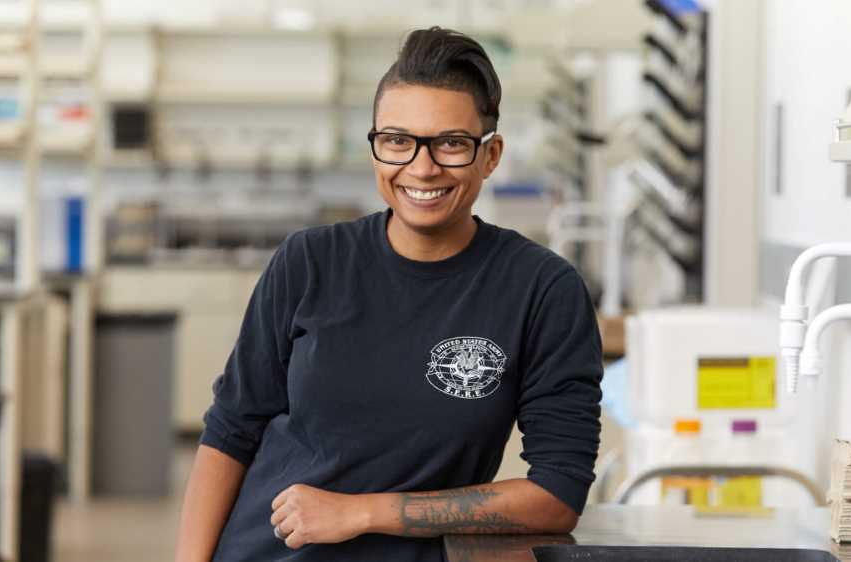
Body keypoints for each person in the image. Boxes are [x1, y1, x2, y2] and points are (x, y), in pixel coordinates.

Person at [175, 26, 603, 562]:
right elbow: (231, 431)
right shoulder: (309, 261)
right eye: (398, 141)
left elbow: (557, 494)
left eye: (451, 143)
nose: (422, 168)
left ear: (490, 155)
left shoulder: (542, 290)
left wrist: (363, 512)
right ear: (376, 148)